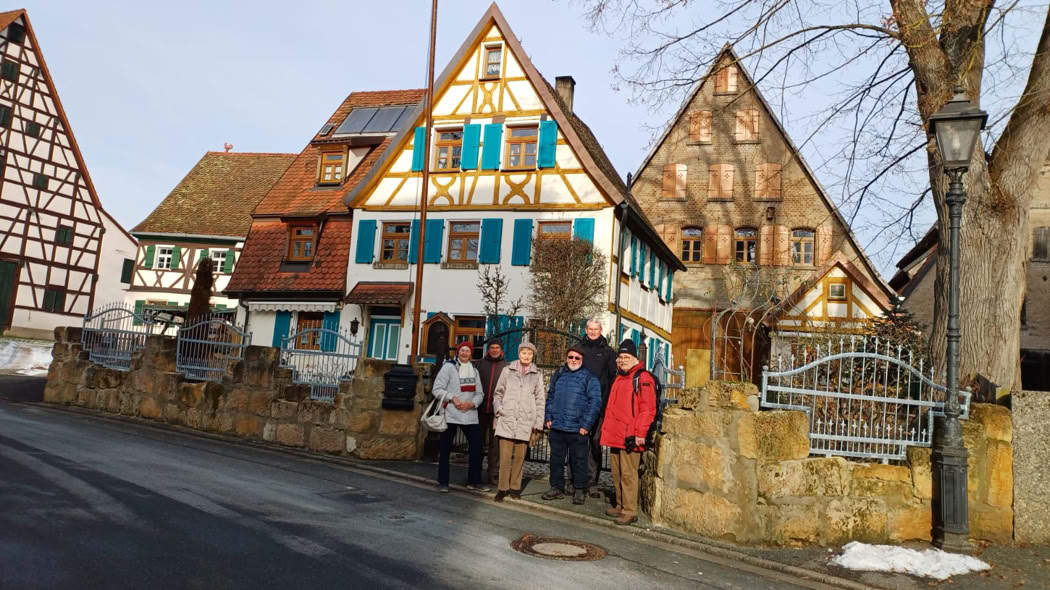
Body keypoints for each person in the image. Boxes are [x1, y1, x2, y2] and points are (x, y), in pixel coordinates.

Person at [600, 338, 657, 525]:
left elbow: (648, 409)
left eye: (627, 357)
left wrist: (640, 433)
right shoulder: (620, 377)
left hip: (630, 435)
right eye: (621, 357)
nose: (623, 360)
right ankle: (620, 505)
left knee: (628, 475)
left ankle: (630, 510)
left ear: (635, 359)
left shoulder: (642, 377)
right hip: (616, 433)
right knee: (617, 473)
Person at [542, 344, 602, 505]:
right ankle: (556, 487)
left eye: (577, 358)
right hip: (557, 427)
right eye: (571, 357)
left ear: (582, 359)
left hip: (577, 429)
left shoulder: (589, 378)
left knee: (579, 461)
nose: (573, 360)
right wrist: (548, 416)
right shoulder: (559, 374)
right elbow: (551, 396)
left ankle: (580, 489)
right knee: (556, 460)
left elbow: (595, 403)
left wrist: (586, 425)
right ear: (566, 358)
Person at [492, 341, 546, 502]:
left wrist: (538, 423)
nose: (526, 356)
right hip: (507, 418)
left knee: (520, 457)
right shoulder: (507, 370)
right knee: (505, 458)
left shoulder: (537, 374)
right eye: (524, 353)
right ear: (519, 354)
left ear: (533, 356)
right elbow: (498, 393)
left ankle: (515, 487)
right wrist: (499, 409)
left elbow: (540, 400)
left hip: (525, 421)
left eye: (530, 353)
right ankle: (502, 488)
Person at [433, 341, 490, 493]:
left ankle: (474, 481)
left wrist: (472, 403)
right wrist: (453, 398)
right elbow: (436, 389)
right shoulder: (448, 367)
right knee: (445, 448)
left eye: (467, 351)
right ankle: (443, 482)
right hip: (451, 413)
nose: (464, 353)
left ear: (471, 354)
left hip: (469, 414)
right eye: (462, 350)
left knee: (477, 447)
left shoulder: (474, 371)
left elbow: (480, 393)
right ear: (458, 352)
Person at [572, 318, 617, 497]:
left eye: (595, 329)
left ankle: (592, 482)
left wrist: (608, 404)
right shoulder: (578, 349)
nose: (592, 332)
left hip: (600, 405)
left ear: (600, 330)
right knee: (577, 444)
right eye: (590, 329)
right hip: (579, 405)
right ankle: (575, 480)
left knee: (596, 444)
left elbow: (612, 379)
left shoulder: (608, 352)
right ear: (586, 329)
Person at [477, 339, 508, 486]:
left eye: (497, 347)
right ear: (488, 350)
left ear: (501, 350)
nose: (494, 350)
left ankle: (493, 474)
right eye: (492, 348)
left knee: (495, 446)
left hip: (497, 412)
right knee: (477, 443)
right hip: (480, 410)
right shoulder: (480, 364)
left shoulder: (507, 366)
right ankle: (475, 473)